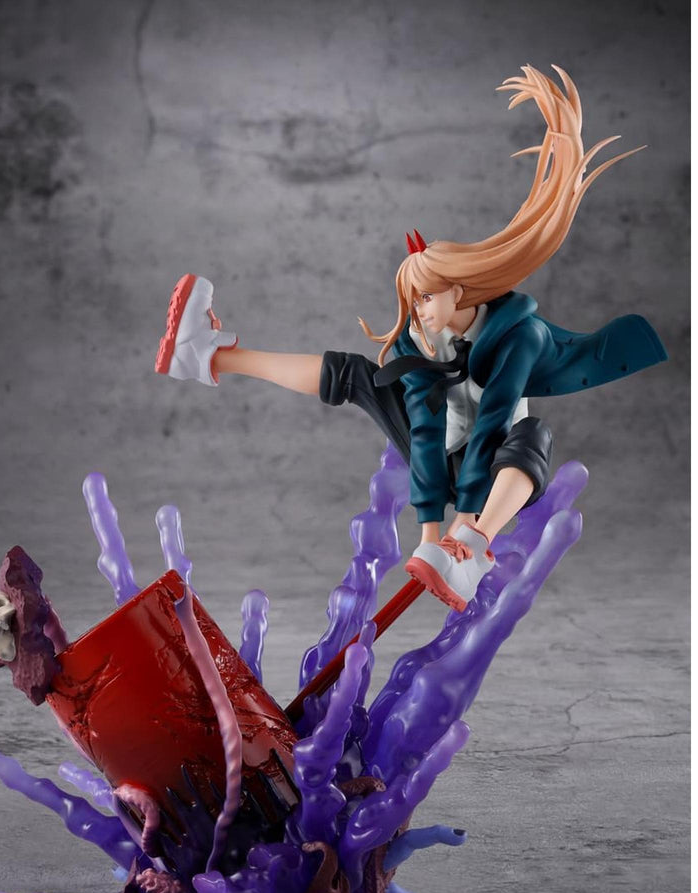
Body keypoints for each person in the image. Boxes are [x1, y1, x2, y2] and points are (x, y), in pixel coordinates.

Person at [153, 66, 667, 611]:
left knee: (532, 432)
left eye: (424, 297)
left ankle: (475, 551)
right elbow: (424, 429)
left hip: (498, 477)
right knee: (355, 373)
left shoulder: (520, 336)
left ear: (458, 291)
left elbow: (493, 422)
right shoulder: (419, 341)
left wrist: (461, 530)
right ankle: (208, 355)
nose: (416, 310)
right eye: (412, 299)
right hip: (443, 460)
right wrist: (428, 537)